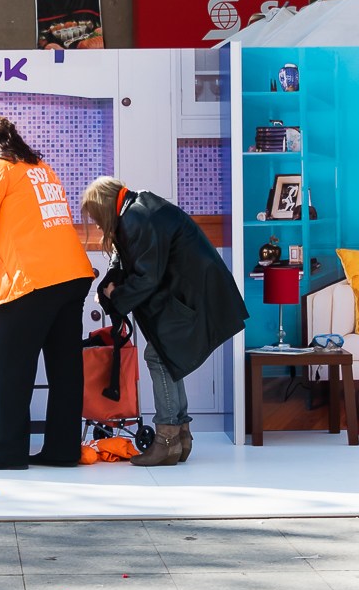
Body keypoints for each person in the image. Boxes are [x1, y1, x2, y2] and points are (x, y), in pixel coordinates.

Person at [0, 114, 95, 470]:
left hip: (32, 279)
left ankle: (10, 451)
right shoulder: (39, 167)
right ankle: (62, 450)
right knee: (65, 368)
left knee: (11, 366)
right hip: (72, 273)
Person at [80, 178, 249, 466]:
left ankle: (167, 440)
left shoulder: (135, 217)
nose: (97, 226)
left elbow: (146, 276)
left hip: (194, 295)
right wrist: (109, 285)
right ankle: (181, 438)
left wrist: (114, 294)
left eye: (97, 218)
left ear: (106, 208)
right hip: (197, 292)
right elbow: (123, 256)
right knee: (167, 356)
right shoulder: (137, 209)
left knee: (158, 357)